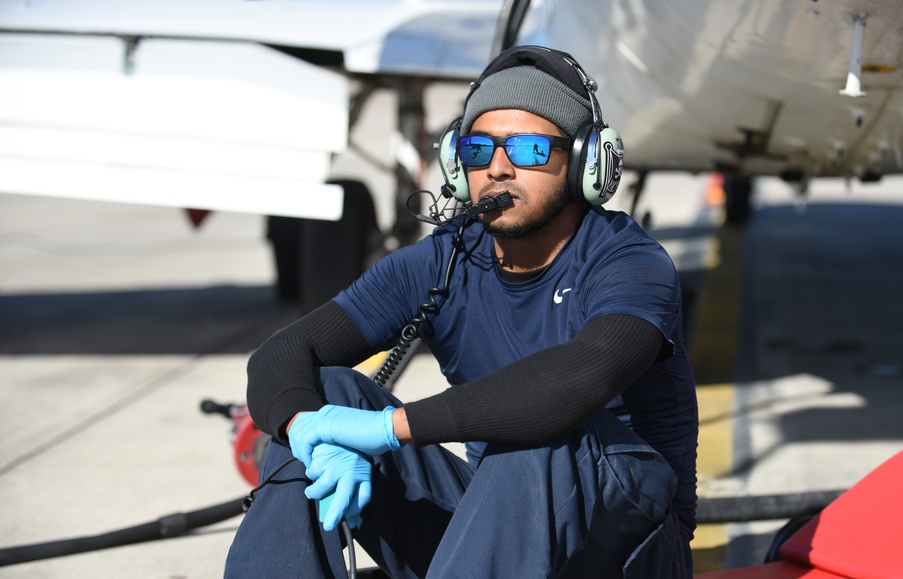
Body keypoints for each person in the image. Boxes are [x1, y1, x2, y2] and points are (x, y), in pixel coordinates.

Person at [224, 45, 698, 578]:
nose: (497, 168)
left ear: (586, 162)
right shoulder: (444, 259)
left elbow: (582, 377)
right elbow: (285, 352)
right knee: (331, 392)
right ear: (455, 163)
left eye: (528, 149)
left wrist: (388, 429)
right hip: (499, 535)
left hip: (629, 552)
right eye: (478, 150)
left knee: (542, 427)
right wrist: (309, 428)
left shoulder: (628, 262)